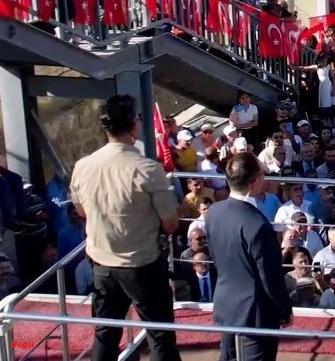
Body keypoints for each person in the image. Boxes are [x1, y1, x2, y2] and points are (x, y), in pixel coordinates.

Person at [69, 95, 182, 361]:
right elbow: (171, 223)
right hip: (142, 265)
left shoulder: (83, 166)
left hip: (102, 264)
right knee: (160, 336)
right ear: (134, 124)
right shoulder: (147, 169)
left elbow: (82, 211)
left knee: (105, 335)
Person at [204, 153, 292, 361]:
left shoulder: (213, 212)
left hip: (227, 305)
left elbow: (216, 258)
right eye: (262, 174)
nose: (265, 178)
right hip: (256, 314)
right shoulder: (257, 224)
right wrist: (284, 308)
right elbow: (269, 275)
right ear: (254, 182)